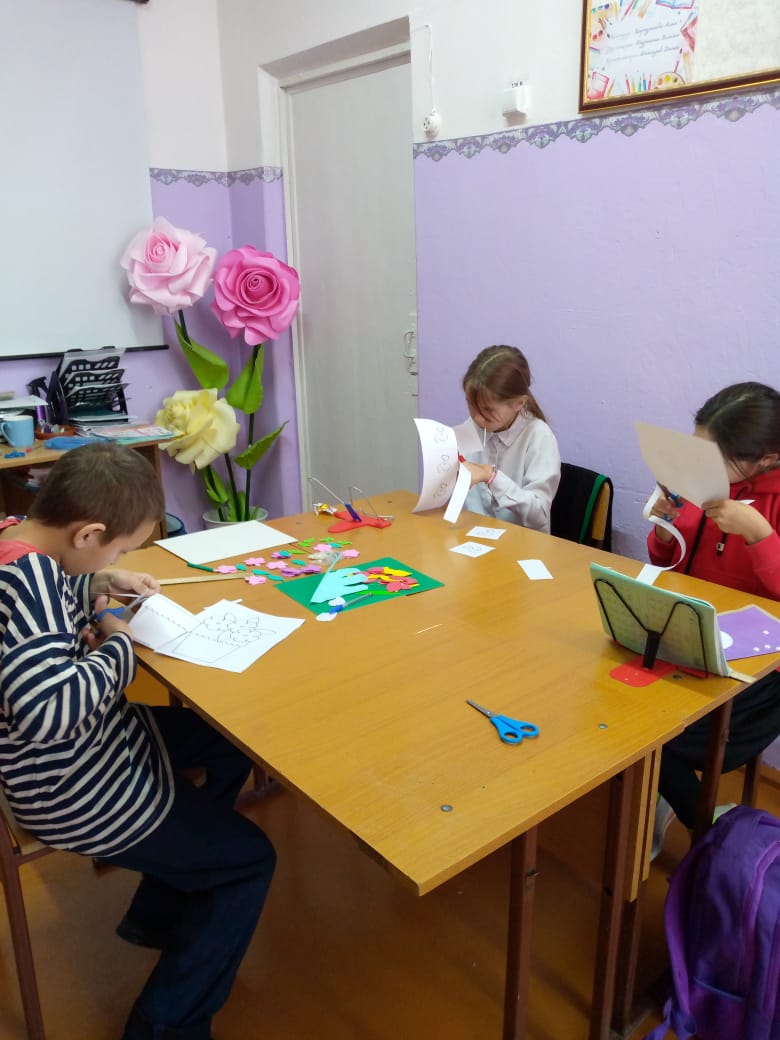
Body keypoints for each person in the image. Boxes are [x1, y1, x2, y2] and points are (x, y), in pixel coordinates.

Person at [0, 443, 275, 1040]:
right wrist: (117, 639)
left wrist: (101, 580)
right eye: (120, 548)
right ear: (88, 532)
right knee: (249, 861)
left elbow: (41, 618)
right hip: (72, 787)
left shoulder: (15, 538)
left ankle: (160, 908)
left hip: (94, 747)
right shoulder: (29, 584)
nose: (121, 557)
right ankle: (163, 1026)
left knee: (231, 742)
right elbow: (48, 711)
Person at [647, 382, 780, 856]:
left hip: (758, 671)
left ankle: (708, 827)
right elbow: (672, 565)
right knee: (612, 705)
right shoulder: (705, 486)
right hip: (693, 641)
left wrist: (760, 535)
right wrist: (665, 529)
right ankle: (671, 801)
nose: (700, 468)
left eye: (714, 457)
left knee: (654, 740)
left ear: (765, 459)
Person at [458, 344, 561, 532]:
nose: (477, 417)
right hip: (476, 537)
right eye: (471, 405)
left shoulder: (539, 436)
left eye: (487, 410)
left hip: (522, 542)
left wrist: (491, 476)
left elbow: (539, 514)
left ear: (519, 403)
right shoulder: (471, 427)